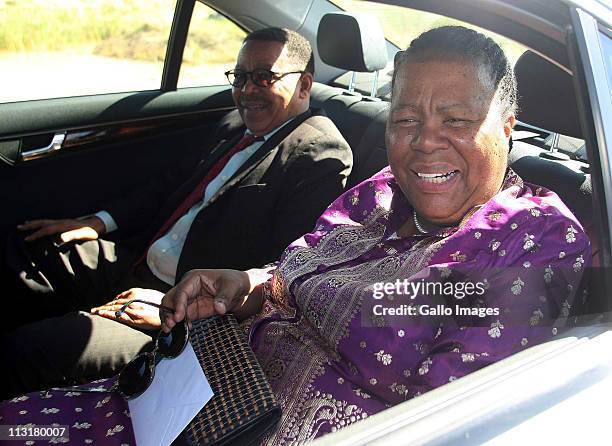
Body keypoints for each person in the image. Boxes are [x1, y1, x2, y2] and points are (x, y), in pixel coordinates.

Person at [1, 26, 591, 446]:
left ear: (506, 128)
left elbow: (440, 425)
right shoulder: (380, 191)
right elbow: (289, 278)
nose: (424, 142)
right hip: (196, 403)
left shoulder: (528, 242)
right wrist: (243, 286)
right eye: (406, 119)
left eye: (456, 121)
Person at [1, 28, 352, 397]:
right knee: (31, 248)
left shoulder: (319, 152)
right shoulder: (236, 124)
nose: (247, 90)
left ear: (303, 85)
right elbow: (169, 187)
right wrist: (97, 222)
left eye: (264, 76)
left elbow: (286, 270)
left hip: (182, 306)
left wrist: (180, 309)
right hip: (137, 264)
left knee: (30, 350)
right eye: (241, 76)